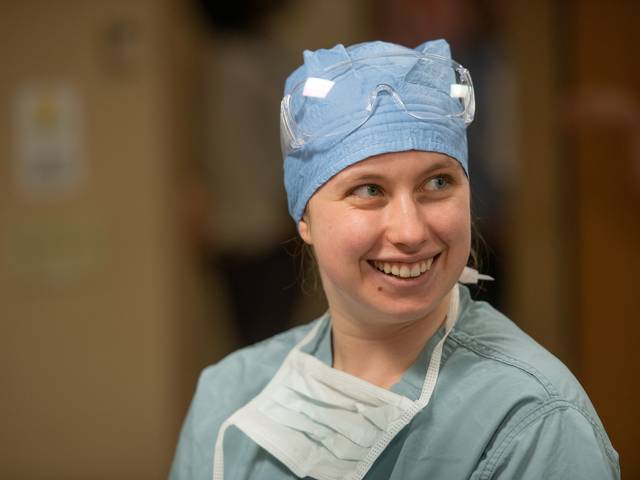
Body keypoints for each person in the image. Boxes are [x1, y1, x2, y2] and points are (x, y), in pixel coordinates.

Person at [169, 39, 620, 479]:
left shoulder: (533, 422)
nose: (409, 231)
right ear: (304, 218)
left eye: (438, 183)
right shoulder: (226, 400)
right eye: (369, 190)